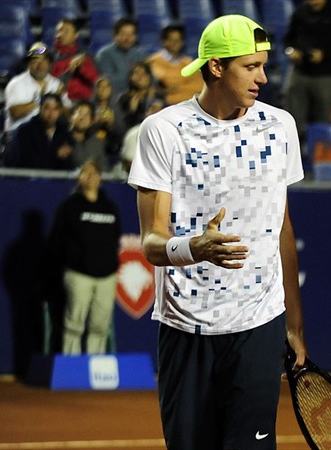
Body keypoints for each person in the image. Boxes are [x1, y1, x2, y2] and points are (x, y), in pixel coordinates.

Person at [126, 14, 308, 449]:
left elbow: (281, 226)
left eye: (264, 65)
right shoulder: (164, 131)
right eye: (251, 66)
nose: (263, 77)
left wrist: (295, 323)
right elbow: (152, 243)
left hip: (259, 323)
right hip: (186, 327)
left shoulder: (280, 126)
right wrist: (194, 247)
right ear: (216, 67)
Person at [46, 160, 121, 354]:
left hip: (106, 276)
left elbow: (115, 238)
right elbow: (57, 240)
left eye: (93, 173)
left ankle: (96, 369)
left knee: (100, 326)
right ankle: (71, 368)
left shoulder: (110, 207)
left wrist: (111, 265)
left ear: (100, 178)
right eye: (85, 173)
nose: (89, 177)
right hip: (79, 275)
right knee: (74, 325)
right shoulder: (70, 207)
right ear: (79, 178)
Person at [282, 0, 331, 144]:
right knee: (293, 116)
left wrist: (325, 54)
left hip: (326, 74)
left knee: (324, 119)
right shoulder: (300, 12)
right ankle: (294, 151)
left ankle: (321, 154)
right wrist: (291, 51)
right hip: (300, 70)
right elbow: (288, 39)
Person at [2, 42, 70, 144]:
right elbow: (15, 113)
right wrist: (41, 99)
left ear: (49, 63)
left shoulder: (56, 84)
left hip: (49, 134)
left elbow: (69, 116)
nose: (40, 65)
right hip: (19, 134)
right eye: (35, 61)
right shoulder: (16, 83)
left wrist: (58, 101)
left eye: (44, 61)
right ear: (28, 64)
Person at [3, 93, 74, 170]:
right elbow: (26, 162)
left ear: (60, 112)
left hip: (56, 180)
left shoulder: (64, 131)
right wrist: (56, 154)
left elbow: (68, 165)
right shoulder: (24, 131)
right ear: (40, 109)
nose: (50, 113)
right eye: (47, 108)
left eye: (55, 109)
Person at [145, 25, 204, 105]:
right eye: (171, 40)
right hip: (166, 106)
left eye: (178, 40)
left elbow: (199, 86)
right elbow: (169, 82)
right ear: (163, 41)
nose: (175, 44)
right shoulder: (153, 61)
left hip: (189, 105)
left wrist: (175, 89)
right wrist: (183, 86)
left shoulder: (187, 61)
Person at [50, 18, 100, 102]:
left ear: (76, 35)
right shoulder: (48, 53)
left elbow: (97, 80)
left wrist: (82, 68)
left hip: (86, 102)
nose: (61, 34)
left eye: (66, 32)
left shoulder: (86, 54)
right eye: (59, 31)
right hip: (59, 102)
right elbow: (48, 83)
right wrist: (69, 71)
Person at [94, 17, 146, 97]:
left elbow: (149, 77)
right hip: (114, 98)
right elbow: (108, 81)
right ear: (115, 35)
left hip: (138, 96)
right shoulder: (104, 54)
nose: (127, 38)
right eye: (124, 34)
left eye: (131, 34)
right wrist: (134, 79)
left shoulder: (139, 53)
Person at [69, 100, 108, 170]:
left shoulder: (97, 143)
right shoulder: (61, 138)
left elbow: (103, 169)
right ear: (71, 117)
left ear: (91, 121)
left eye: (86, 115)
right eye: (79, 113)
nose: (82, 118)